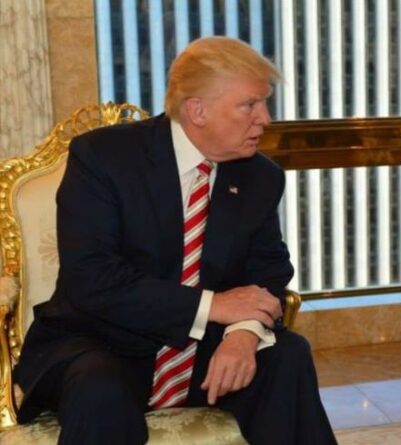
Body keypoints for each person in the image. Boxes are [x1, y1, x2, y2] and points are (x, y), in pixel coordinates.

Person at [14, 36, 337, 445]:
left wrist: (243, 333)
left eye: (264, 103)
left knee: (288, 356)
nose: (266, 119)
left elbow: (269, 273)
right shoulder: (104, 158)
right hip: (101, 341)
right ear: (197, 110)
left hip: (204, 351)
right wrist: (213, 305)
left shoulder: (259, 176)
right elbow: (91, 278)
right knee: (100, 391)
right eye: (250, 105)